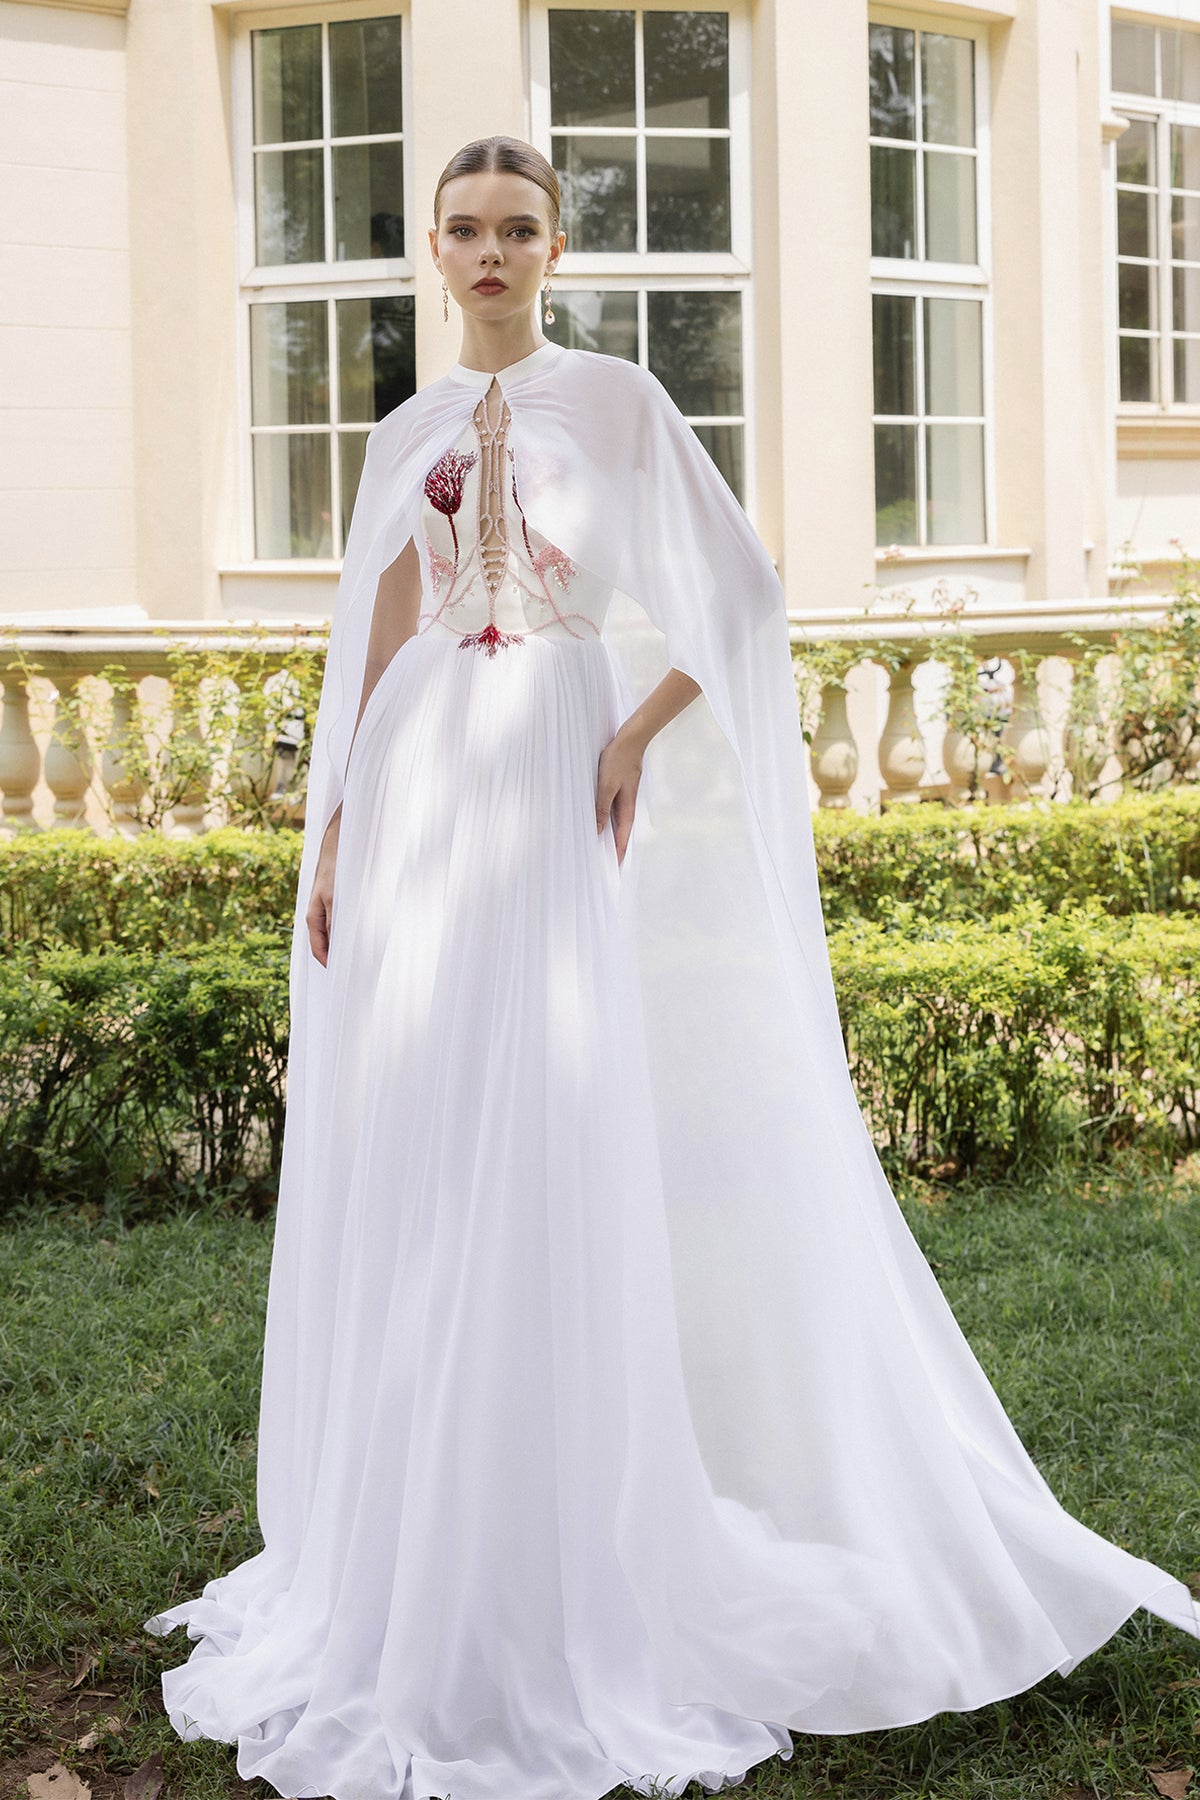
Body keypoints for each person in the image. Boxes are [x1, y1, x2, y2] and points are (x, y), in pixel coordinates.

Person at [143, 136, 1200, 1800]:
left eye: (518, 229)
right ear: (436, 252)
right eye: (464, 230)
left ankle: (558, 1539)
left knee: (542, 1119)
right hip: (418, 779)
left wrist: (632, 733)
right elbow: (381, 631)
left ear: (557, 249)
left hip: (550, 758)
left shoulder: (619, 404)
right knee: (424, 1129)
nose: (490, 254)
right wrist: (335, 824)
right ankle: (414, 1532)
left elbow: (742, 596)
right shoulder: (405, 431)